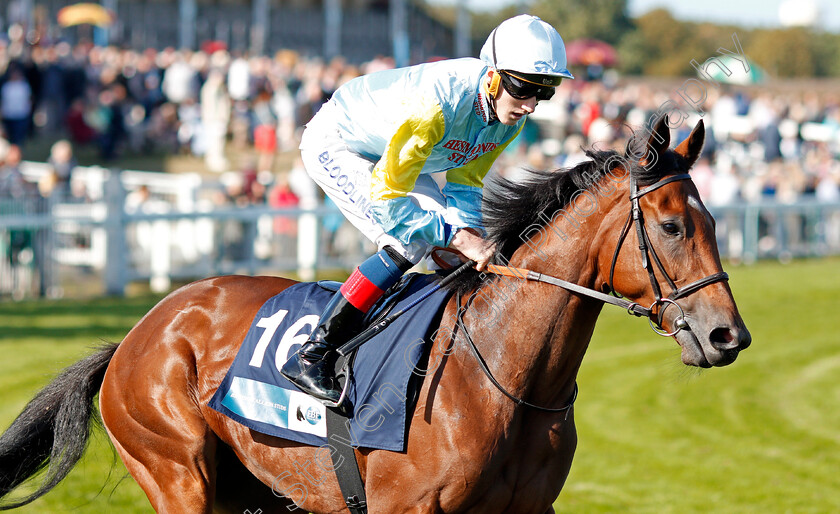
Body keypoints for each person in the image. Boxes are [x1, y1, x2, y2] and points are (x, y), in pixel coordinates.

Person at [281, 14, 574, 404]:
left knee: (454, 257)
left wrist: (469, 240)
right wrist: (456, 236)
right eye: (524, 88)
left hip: (396, 158)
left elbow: (465, 184)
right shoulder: (436, 104)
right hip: (341, 144)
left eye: (546, 91)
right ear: (493, 77)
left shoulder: (509, 118)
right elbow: (388, 200)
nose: (531, 105)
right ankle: (313, 353)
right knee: (408, 241)